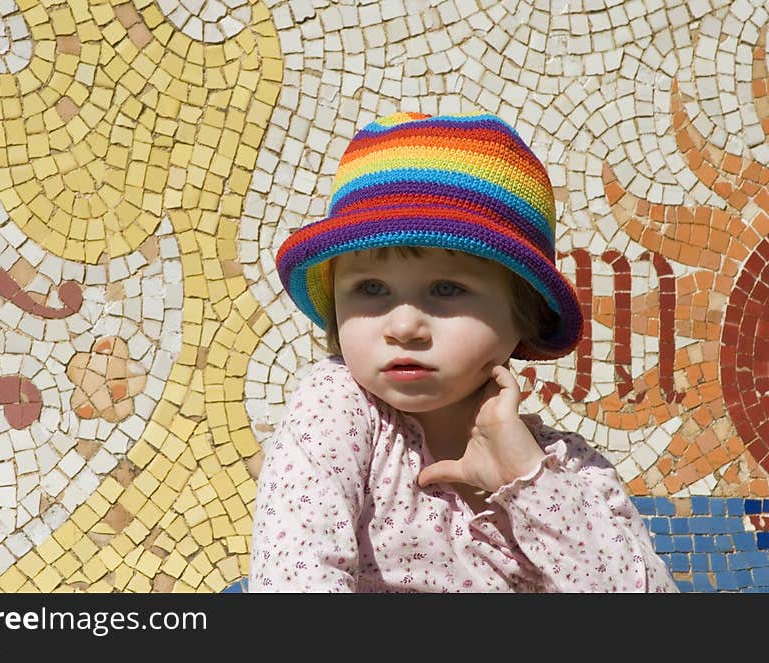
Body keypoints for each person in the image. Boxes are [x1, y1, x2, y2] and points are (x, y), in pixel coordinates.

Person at [248, 112, 678, 592]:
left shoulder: (572, 471)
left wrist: (528, 478)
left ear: (525, 315)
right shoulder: (337, 409)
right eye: (370, 287)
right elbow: (292, 579)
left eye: (447, 289)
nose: (405, 325)